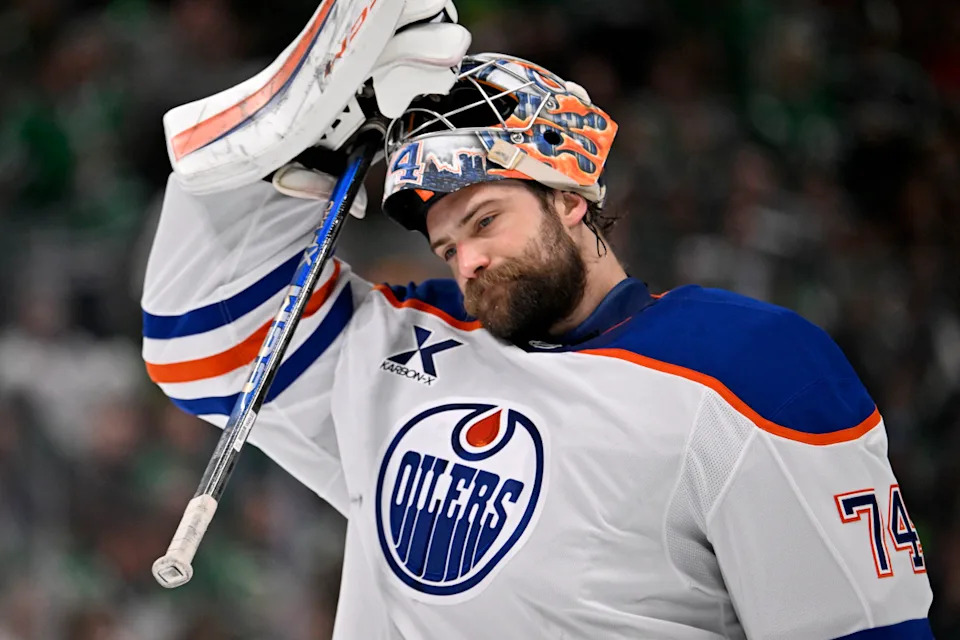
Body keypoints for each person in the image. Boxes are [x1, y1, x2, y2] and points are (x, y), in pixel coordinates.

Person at [141, 53, 934, 639]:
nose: (467, 260)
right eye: (447, 248)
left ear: (568, 197)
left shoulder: (751, 363)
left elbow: (861, 629)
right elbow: (195, 332)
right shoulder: (403, 343)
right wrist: (314, 115)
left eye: (485, 220)